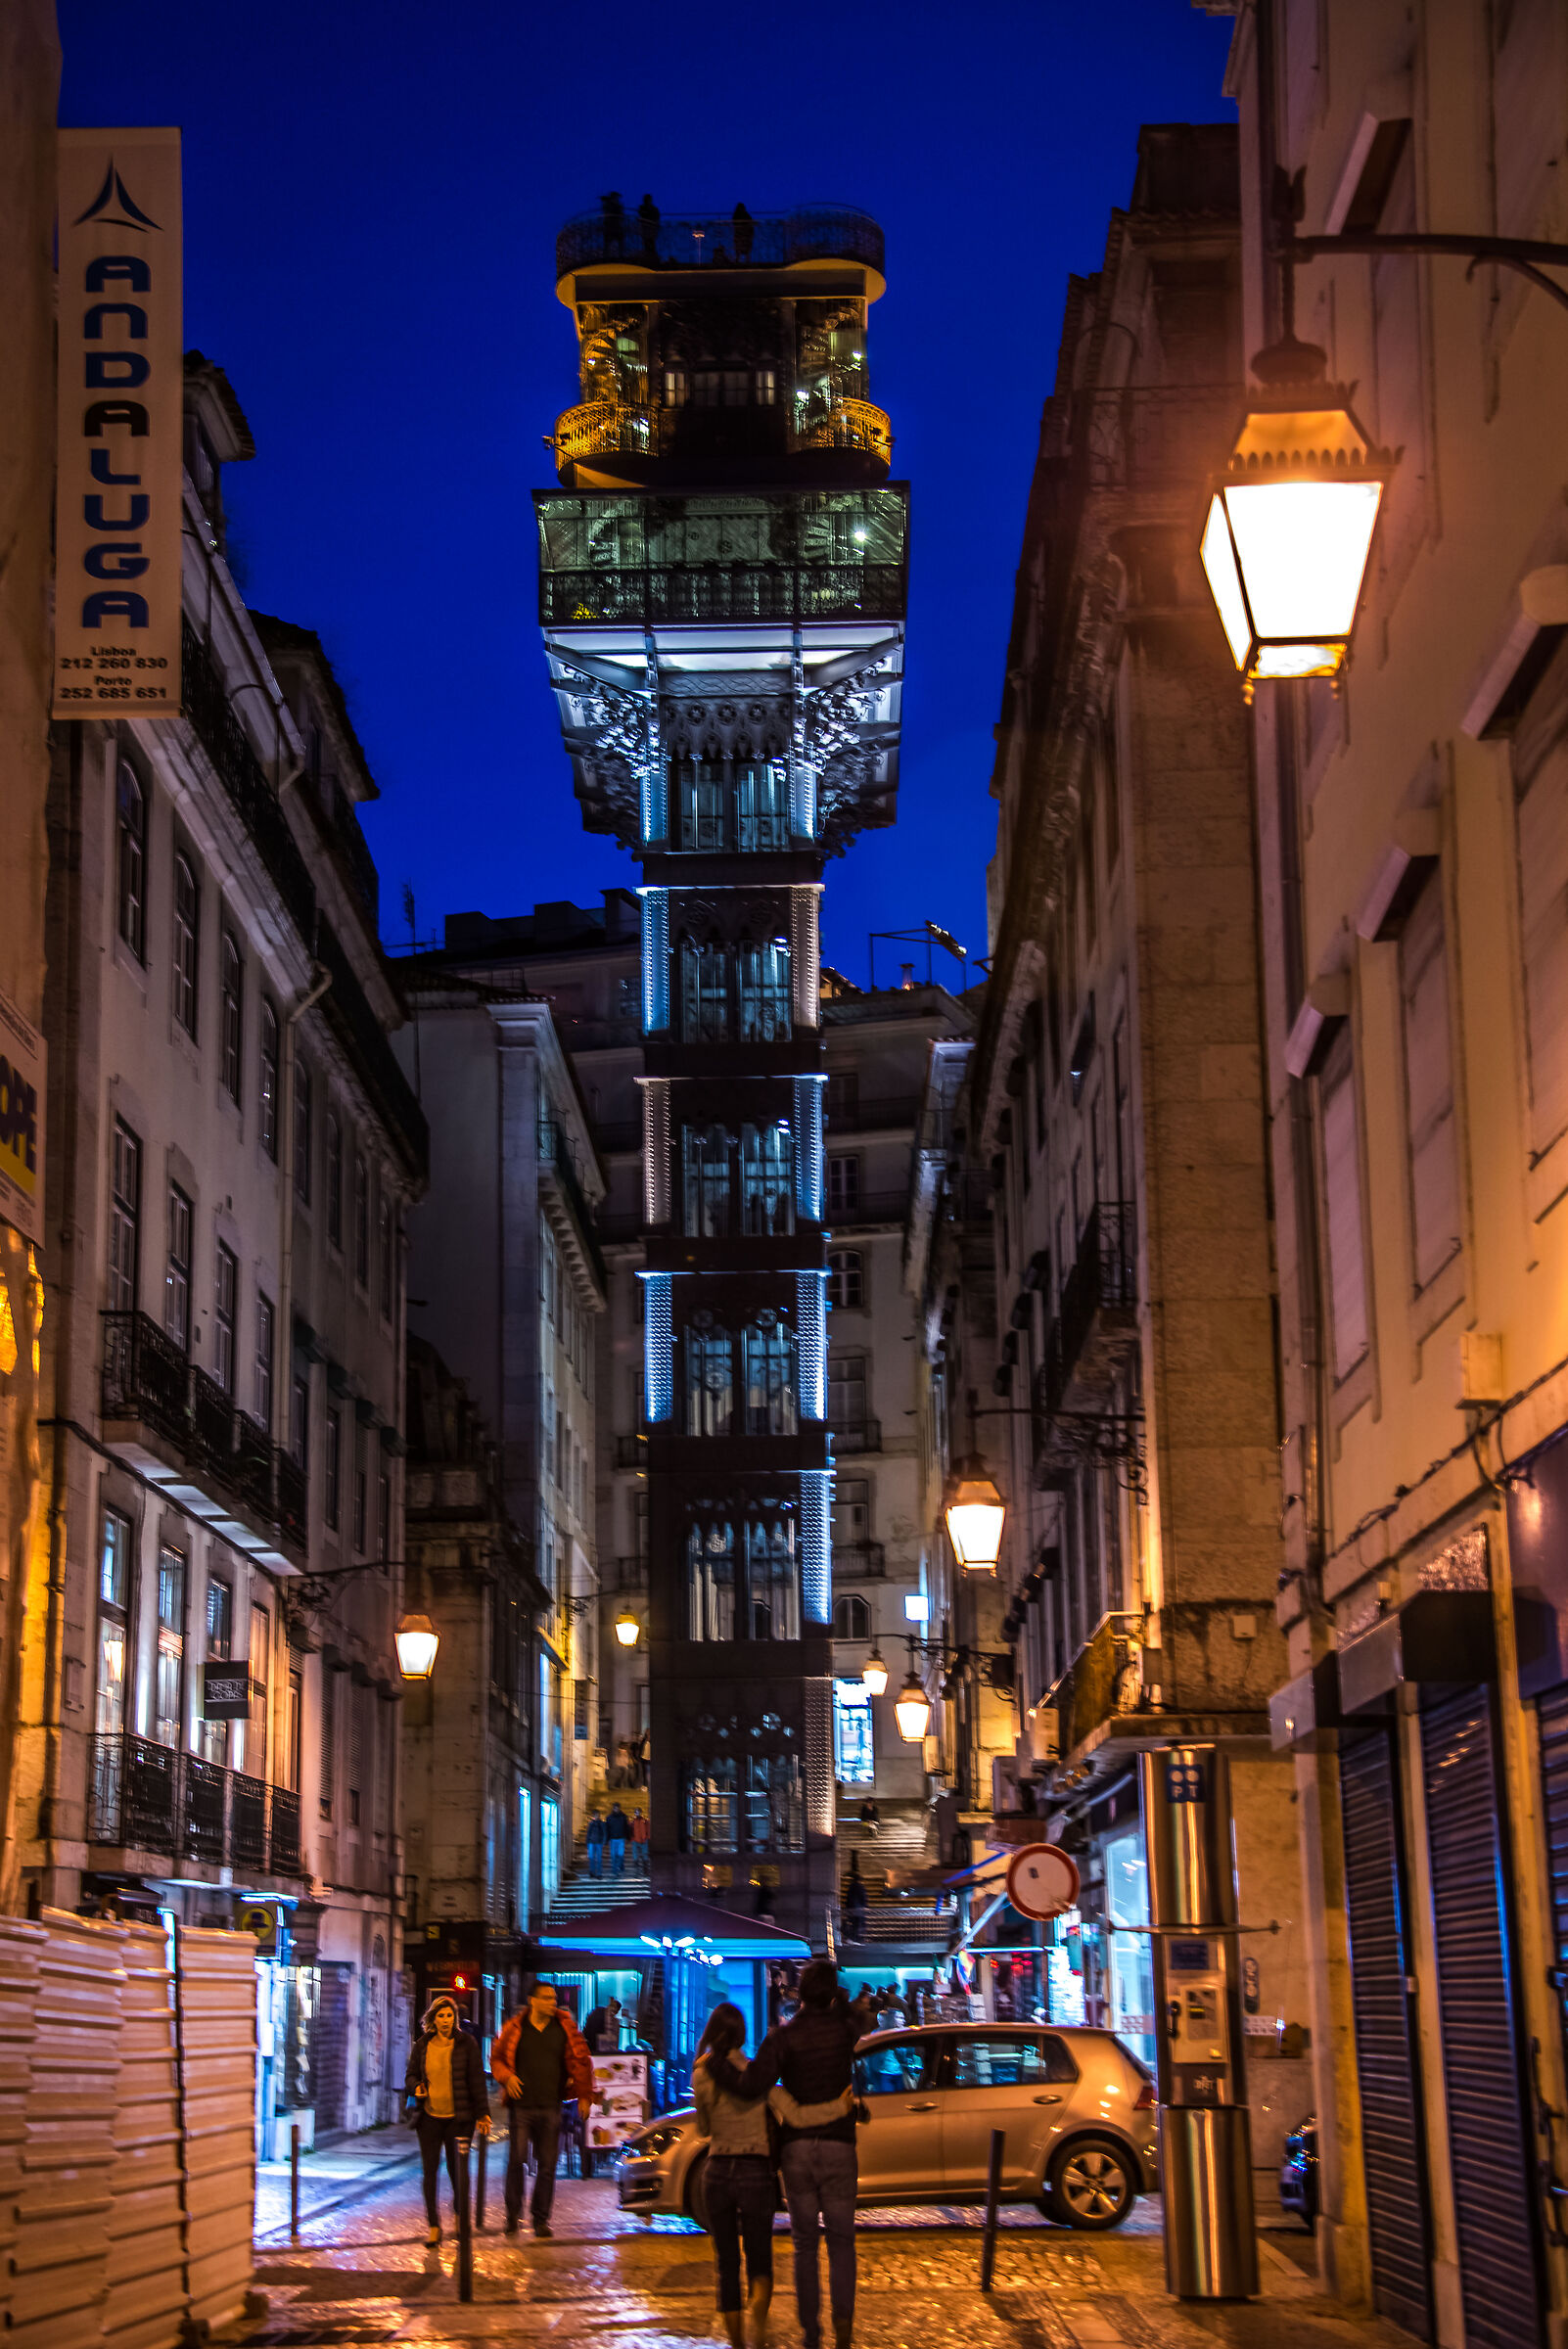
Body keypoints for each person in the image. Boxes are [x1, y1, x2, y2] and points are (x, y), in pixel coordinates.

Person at [695, 2004, 853, 2349]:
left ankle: (737, 2343)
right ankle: (758, 2328)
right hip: (755, 2172)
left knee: (726, 2262)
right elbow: (795, 2115)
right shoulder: (758, 2074)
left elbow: (704, 2129)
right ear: (742, 2035)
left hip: (718, 2170)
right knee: (759, 2259)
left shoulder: (701, 2074)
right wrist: (840, 2107)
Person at [734, 1958, 864, 2349]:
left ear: (799, 1992)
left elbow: (754, 2083)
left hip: (797, 2148)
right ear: (831, 1992)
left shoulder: (782, 2037)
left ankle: (811, 2331)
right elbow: (861, 2018)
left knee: (804, 2243)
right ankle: (843, 2323)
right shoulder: (844, 2030)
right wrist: (839, 1998)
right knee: (842, 2240)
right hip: (840, 2143)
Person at [491, 1979, 593, 2237]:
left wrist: (584, 2095)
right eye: (547, 1998)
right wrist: (507, 2077)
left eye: (554, 1998)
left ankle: (540, 2219)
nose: (553, 2002)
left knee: (548, 2165)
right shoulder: (515, 2028)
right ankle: (513, 2215)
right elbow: (497, 2058)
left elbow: (582, 2061)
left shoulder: (565, 2028)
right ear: (532, 2000)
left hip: (551, 2106)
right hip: (521, 2108)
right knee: (516, 2161)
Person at [404, 1994, 490, 2248]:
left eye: (449, 2015)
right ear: (433, 2019)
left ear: (455, 2019)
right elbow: (410, 2076)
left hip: (459, 2118)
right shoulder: (422, 2045)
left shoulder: (467, 2044)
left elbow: (476, 2080)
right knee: (429, 2172)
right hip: (429, 2118)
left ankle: (459, 2218)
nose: (445, 2020)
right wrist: (416, 2087)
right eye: (440, 2016)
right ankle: (433, 2226)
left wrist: (483, 2113)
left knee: (458, 2173)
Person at [605, 1800, 630, 1876]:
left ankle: (621, 1865)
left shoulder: (624, 1817)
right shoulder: (609, 1818)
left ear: (619, 1808)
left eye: (617, 1808)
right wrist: (607, 1839)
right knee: (613, 1855)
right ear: (613, 1808)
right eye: (615, 1808)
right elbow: (607, 1829)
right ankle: (615, 1870)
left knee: (620, 1855)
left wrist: (628, 1838)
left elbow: (627, 1828)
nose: (616, 1809)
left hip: (621, 1839)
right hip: (612, 1839)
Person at [637, 193, 660, 263]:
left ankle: (652, 258)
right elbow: (641, 216)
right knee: (647, 243)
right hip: (647, 228)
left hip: (650, 229)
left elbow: (657, 217)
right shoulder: (643, 208)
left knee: (651, 243)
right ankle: (649, 258)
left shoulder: (653, 209)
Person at [584, 1808, 607, 1878]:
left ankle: (599, 1874)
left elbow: (604, 1833)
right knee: (591, 1858)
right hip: (591, 1843)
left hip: (598, 1843)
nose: (596, 1816)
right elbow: (588, 1834)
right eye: (594, 1815)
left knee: (598, 1859)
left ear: (599, 1815)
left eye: (597, 1815)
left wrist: (603, 1842)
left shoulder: (601, 1823)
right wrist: (587, 1843)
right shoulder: (591, 1824)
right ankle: (592, 1872)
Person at [631, 1805, 651, 1873]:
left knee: (645, 1855)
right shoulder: (632, 1822)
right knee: (635, 1855)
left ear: (641, 1813)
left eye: (638, 1812)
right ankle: (637, 1871)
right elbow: (630, 1830)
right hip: (635, 1840)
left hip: (644, 1840)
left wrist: (647, 1838)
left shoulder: (645, 1821)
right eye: (636, 1812)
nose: (637, 1813)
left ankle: (645, 1870)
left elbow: (648, 1830)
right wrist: (632, 1839)